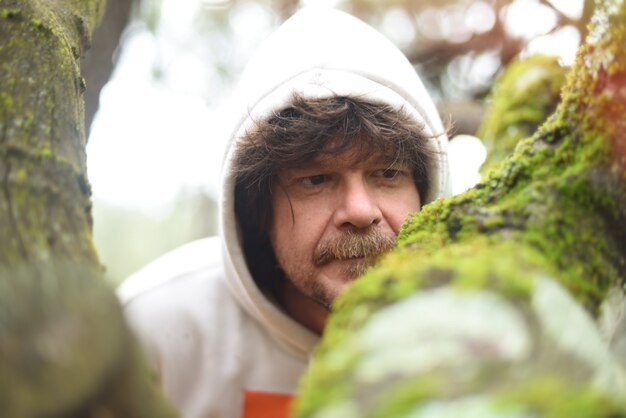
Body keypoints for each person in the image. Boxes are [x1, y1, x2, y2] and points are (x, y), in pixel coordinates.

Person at [118, 6, 451, 418]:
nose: (360, 211)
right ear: (257, 209)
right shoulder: (155, 330)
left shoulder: (483, 335)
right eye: (316, 180)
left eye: (387, 173)